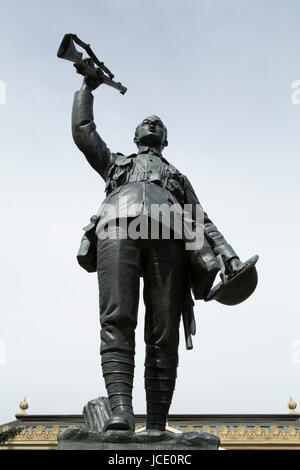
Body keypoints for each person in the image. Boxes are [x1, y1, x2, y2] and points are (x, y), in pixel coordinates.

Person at [71, 76, 243, 432]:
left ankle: (156, 424)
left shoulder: (178, 178)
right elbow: (83, 133)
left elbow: (202, 219)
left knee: (164, 330)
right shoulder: (117, 165)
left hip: (171, 235)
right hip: (117, 227)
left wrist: (227, 253)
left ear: (165, 140)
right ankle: (120, 411)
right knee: (116, 319)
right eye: (147, 122)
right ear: (136, 137)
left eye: (159, 124)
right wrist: (87, 89)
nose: (153, 123)